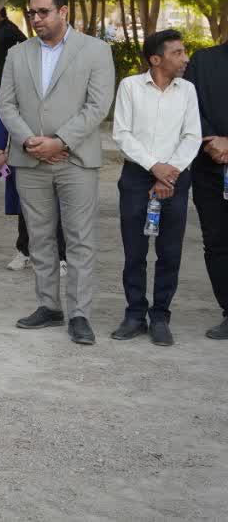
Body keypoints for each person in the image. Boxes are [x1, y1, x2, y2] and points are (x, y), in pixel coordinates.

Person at [0, 0, 115, 345]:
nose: (35, 18)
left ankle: (79, 314)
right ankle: (48, 306)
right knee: (39, 237)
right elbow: (6, 105)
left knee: (80, 239)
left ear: (63, 11)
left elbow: (98, 106)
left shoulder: (95, 50)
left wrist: (60, 141)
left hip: (75, 160)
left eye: (43, 12)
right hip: (30, 160)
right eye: (31, 12)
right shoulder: (17, 53)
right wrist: (31, 142)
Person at [110, 30, 201, 346]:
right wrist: (154, 167)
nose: (185, 58)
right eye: (178, 53)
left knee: (170, 252)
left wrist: (168, 174)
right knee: (134, 251)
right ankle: (135, 314)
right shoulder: (130, 86)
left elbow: (192, 135)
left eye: (184, 52)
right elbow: (122, 134)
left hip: (176, 177)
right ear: (155, 59)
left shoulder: (188, 90)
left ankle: (160, 316)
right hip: (136, 177)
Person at [184, 34, 228, 340]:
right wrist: (214, 141)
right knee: (217, 242)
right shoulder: (203, 61)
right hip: (209, 166)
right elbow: (188, 107)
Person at [0, 114, 67, 271]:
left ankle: (60, 256)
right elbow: (5, 113)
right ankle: (25, 250)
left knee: (57, 204)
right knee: (25, 203)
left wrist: (60, 145)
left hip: (58, 148)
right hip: (23, 148)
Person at [0, 7, 27, 120]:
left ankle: (3, 121)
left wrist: (15, 57)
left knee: (4, 98)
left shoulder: (10, 27)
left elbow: (24, 41)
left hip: (4, 70)